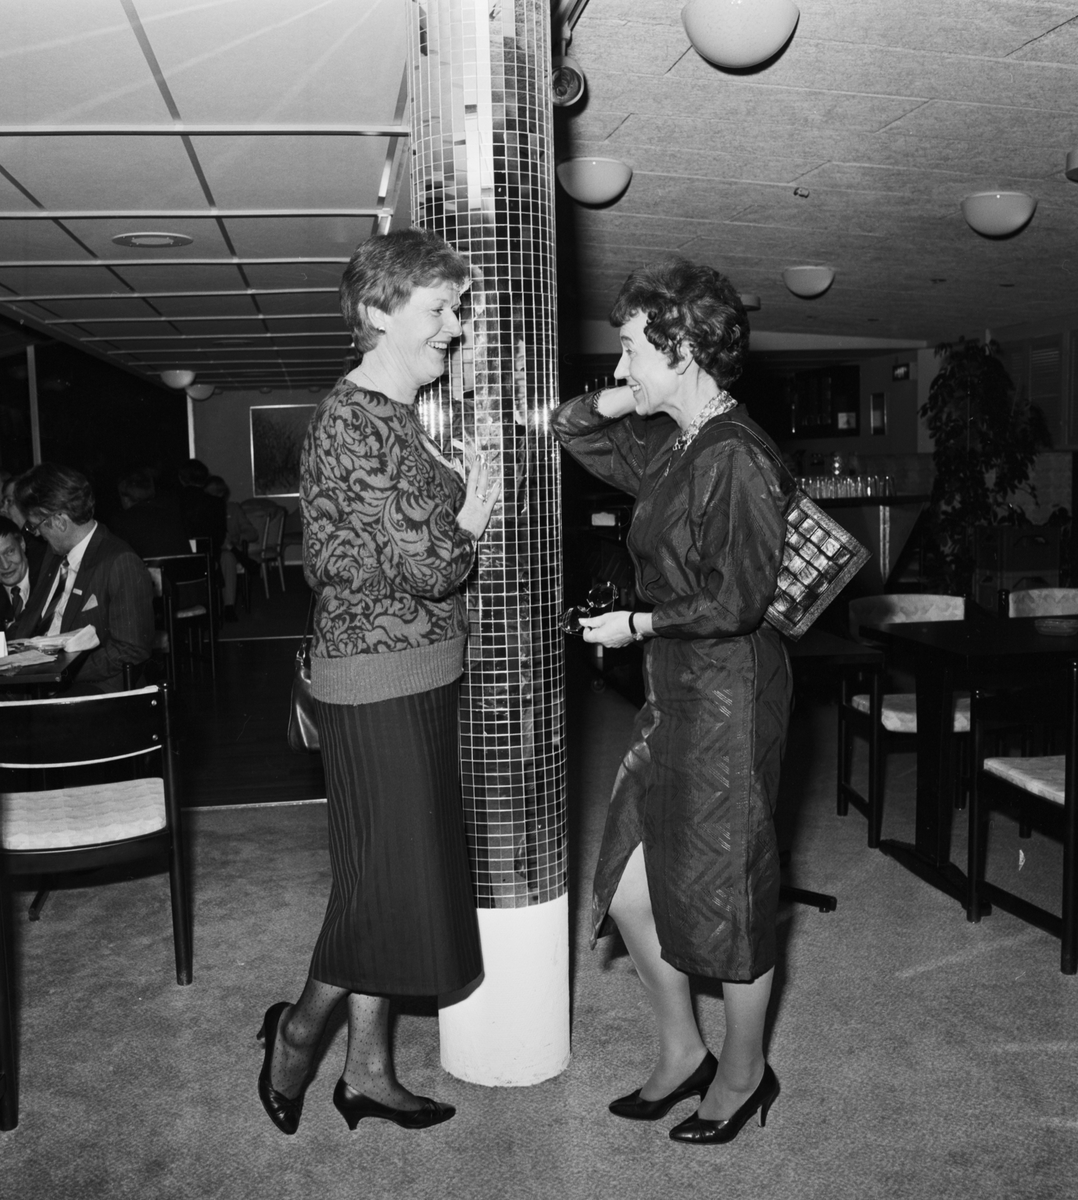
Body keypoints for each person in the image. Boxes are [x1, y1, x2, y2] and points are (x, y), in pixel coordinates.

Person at [257, 228, 498, 1136]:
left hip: (419, 673)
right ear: (377, 312)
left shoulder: (399, 416)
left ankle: (367, 1072)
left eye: (457, 309)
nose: (455, 326)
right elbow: (434, 565)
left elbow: (411, 552)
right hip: (374, 681)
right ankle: (297, 1034)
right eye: (440, 309)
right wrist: (471, 516)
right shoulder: (352, 419)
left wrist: (456, 499)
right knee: (379, 884)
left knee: (390, 877)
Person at [551, 257, 791, 1146]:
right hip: (675, 694)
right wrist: (633, 390)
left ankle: (744, 1072)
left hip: (729, 697)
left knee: (727, 898)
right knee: (628, 888)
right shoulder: (678, 442)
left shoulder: (737, 454)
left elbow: (739, 600)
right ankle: (684, 1049)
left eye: (632, 350)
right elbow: (570, 426)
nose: (620, 367)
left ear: (682, 347)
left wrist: (635, 623)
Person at [11, 464, 154, 694]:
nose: (36, 534)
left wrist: (59, 670)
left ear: (60, 522)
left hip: (88, 686)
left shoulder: (120, 562)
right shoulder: (54, 555)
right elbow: (31, 617)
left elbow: (131, 648)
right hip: (34, 676)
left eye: (35, 526)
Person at [203, 474, 257, 620]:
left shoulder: (233, 509)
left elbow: (252, 533)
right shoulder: (202, 512)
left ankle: (228, 606)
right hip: (209, 552)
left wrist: (237, 538)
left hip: (229, 552)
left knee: (227, 557)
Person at [110, 468, 192, 560]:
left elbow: (119, 560)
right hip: (183, 568)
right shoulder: (171, 514)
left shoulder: (123, 521)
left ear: (125, 497)